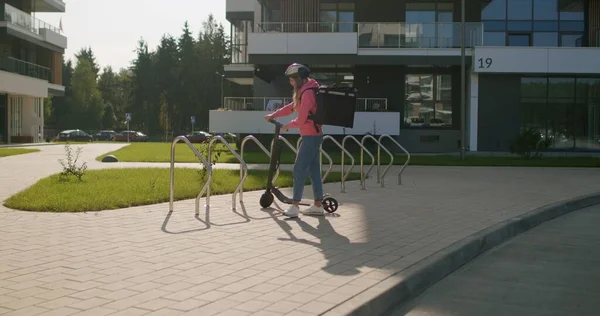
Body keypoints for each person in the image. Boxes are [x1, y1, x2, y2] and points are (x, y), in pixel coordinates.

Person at [264, 63, 324, 218]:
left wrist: (288, 126)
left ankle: (295, 206)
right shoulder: (306, 90)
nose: (290, 82)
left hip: (311, 136)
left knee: (298, 169)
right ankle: (318, 204)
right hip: (312, 135)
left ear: (298, 78)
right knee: (313, 170)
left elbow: (302, 119)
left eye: (291, 79)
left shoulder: (308, 93)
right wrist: (274, 115)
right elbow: (292, 107)